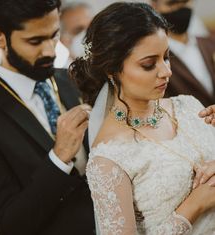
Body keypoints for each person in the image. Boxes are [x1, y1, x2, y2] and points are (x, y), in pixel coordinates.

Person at [70, 2, 215, 234]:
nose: (166, 71)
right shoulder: (108, 159)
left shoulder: (189, 106)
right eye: (149, 64)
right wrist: (194, 206)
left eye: (166, 57)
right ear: (112, 69)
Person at [0, 0, 95, 234]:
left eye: (54, 35)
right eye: (35, 41)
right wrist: (59, 157)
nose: (50, 51)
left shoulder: (75, 80)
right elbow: (9, 224)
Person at [150, 0, 215, 107]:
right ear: (155, 6)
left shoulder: (210, 43)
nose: (180, 8)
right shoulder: (154, 58)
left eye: (184, 2)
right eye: (172, 3)